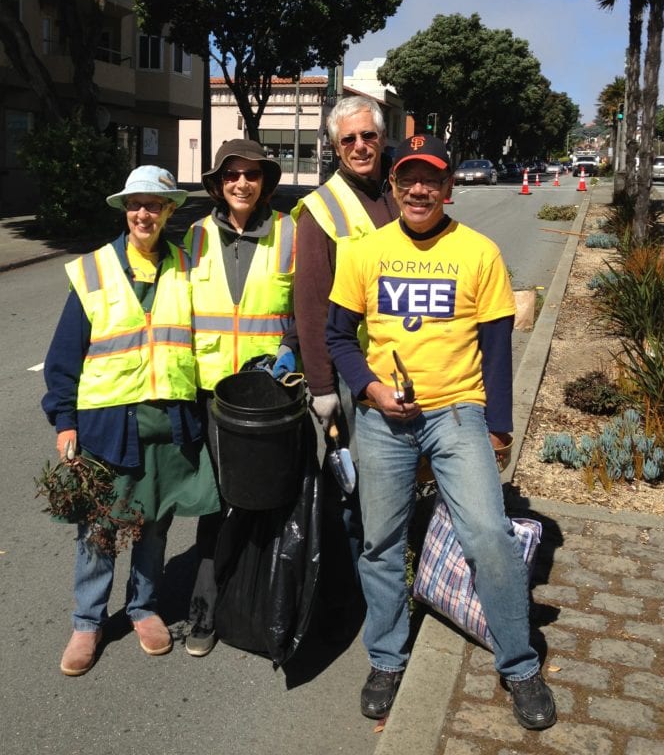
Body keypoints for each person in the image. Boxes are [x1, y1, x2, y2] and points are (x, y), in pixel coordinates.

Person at [325, 134, 557, 730]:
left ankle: (520, 664)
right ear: (395, 187)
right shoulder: (364, 252)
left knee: (488, 534)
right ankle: (386, 656)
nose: (419, 190)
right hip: (383, 419)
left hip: (457, 413)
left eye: (432, 180)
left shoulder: (478, 252)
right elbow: (337, 339)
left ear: (449, 188)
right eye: (408, 179)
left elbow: (498, 345)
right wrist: (370, 390)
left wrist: (499, 428)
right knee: (380, 540)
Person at [42, 166, 219, 677]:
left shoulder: (187, 267)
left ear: (169, 211)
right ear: (126, 210)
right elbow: (62, 359)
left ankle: (144, 608)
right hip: (107, 423)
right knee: (100, 527)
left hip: (169, 422)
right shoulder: (94, 270)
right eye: (136, 204)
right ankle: (87, 621)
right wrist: (65, 421)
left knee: (155, 525)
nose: (145, 213)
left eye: (156, 204)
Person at [184, 139, 298, 657]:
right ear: (217, 183)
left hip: (270, 398)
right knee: (217, 502)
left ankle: (269, 605)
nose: (242, 184)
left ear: (265, 182)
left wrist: (291, 349)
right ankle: (204, 610)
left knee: (270, 502)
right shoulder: (194, 237)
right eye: (232, 175)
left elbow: (307, 309)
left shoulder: (290, 234)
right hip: (211, 395)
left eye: (252, 175)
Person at [291, 96, 398, 621]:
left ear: (381, 139)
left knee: (393, 485)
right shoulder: (322, 210)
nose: (359, 146)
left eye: (368, 137)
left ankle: (385, 579)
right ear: (335, 147)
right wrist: (322, 387)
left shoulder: (399, 192)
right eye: (348, 139)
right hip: (352, 377)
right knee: (357, 494)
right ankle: (355, 597)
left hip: (402, 367)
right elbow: (309, 306)